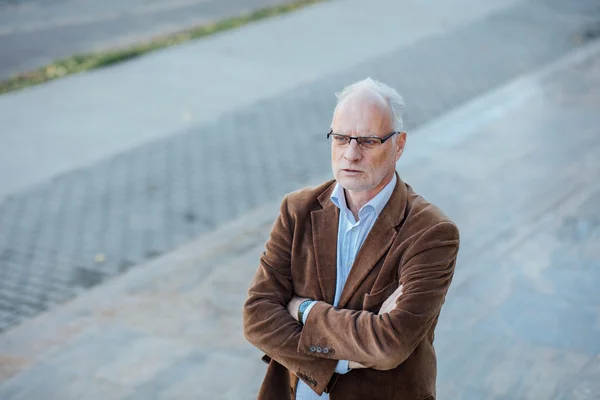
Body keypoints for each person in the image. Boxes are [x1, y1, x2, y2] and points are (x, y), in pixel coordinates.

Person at [242, 77, 460, 400]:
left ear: (398, 145)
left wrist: (303, 311)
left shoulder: (431, 233)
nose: (351, 154)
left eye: (368, 141)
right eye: (341, 138)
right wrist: (343, 360)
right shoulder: (296, 210)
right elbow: (257, 316)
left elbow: (390, 344)